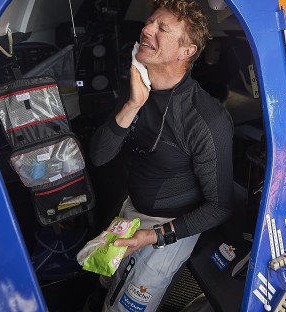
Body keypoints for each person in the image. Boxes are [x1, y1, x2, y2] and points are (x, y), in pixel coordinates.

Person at [89, 0, 234, 311]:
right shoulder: (138, 86)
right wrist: (132, 105)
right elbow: (99, 156)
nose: (146, 28)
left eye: (161, 28)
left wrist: (153, 236)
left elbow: (220, 207)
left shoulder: (206, 120)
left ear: (187, 51)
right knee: (104, 280)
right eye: (149, 21)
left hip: (169, 230)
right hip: (130, 210)